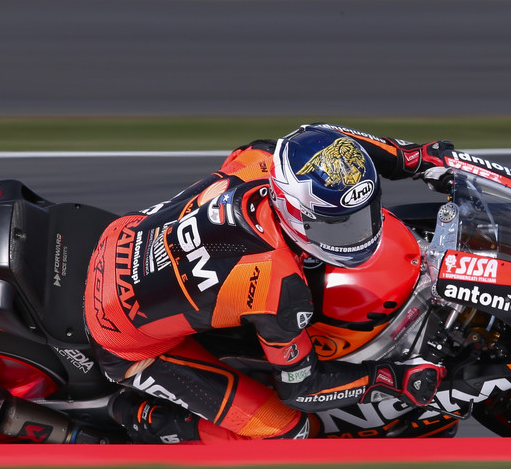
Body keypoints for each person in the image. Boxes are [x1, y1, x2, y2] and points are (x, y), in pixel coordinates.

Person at [85, 123, 455, 443]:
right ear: (294, 212)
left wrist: (412, 158)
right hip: (120, 335)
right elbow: (302, 388)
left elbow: (324, 136)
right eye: (337, 225)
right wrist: (389, 379)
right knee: (290, 432)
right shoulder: (277, 286)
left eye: (363, 215)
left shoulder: (261, 161)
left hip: (121, 237)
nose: (359, 235)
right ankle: (146, 418)